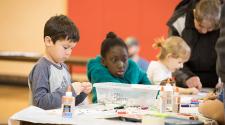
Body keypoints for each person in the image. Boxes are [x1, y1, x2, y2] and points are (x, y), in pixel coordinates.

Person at [28, 15, 92, 110]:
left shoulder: (64, 68)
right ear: (48, 41)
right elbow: (40, 103)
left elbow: (69, 101)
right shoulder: (42, 67)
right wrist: (70, 91)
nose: (69, 52)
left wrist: (82, 93)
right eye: (65, 47)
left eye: (71, 48)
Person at [167, 0, 221, 89]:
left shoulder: (222, 22)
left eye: (209, 28)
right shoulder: (179, 22)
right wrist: (186, 77)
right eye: (200, 25)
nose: (204, 32)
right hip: (187, 84)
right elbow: (171, 57)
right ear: (194, 13)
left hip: (218, 84)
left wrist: (222, 79)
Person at [87, 32, 151, 103]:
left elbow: (150, 91)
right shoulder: (98, 73)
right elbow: (119, 94)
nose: (121, 65)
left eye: (124, 59)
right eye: (114, 60)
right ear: (103, 61)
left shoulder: (133, 69)